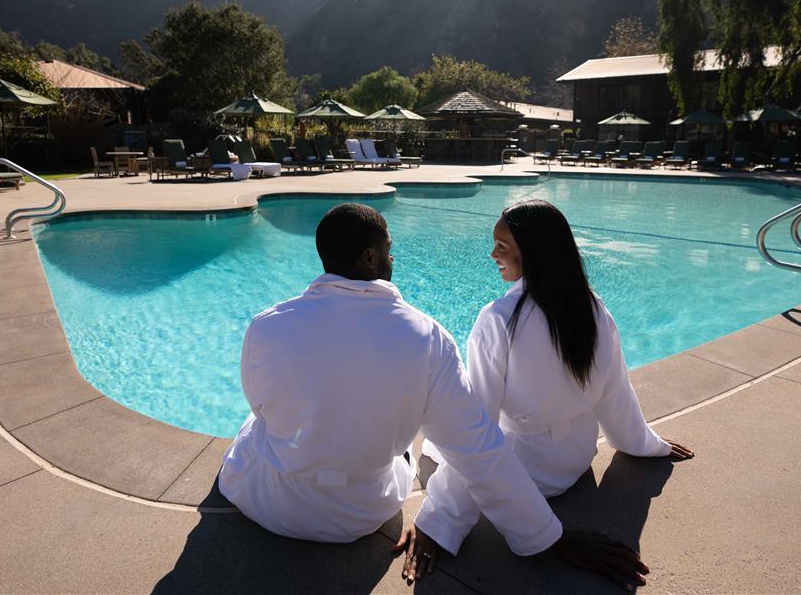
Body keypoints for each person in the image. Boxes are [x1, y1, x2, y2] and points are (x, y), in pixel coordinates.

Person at [219, 203, 649, 589]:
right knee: (421, 441)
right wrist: (546, 536)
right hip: (363, 511)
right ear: (371, 258)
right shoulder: (427, 338)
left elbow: (262, 408)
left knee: (255, 423)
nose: (394, 257)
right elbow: (476, 446)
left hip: (269, 502)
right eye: (389, 250)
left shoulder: (266, 326)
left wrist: (446, 521)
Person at [409, 199, 694, 577]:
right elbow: (615, 391)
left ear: (533, 253)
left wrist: (439, 520)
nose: (492, 253)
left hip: (525, 476)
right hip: (574, 460)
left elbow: (478, 430)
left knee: (436, 445)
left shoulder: (499, 320)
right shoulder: (592, 306)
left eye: (502, 246)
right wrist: (644, 443)